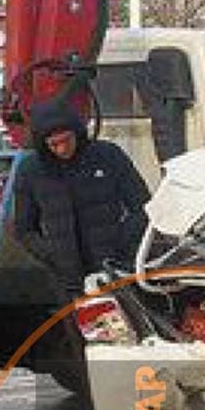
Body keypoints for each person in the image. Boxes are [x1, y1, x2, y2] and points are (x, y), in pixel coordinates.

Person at [12, 98, 151, 291]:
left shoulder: (108, 155)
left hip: (115, 269)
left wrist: (122, 244)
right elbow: (24, 229)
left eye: (66, 140)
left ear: (77, 133)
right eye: (54, 144)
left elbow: (143, 207)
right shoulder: (31, 171)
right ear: (44, 145)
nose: (62, 149)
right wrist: (53, 254)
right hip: (67, 278)